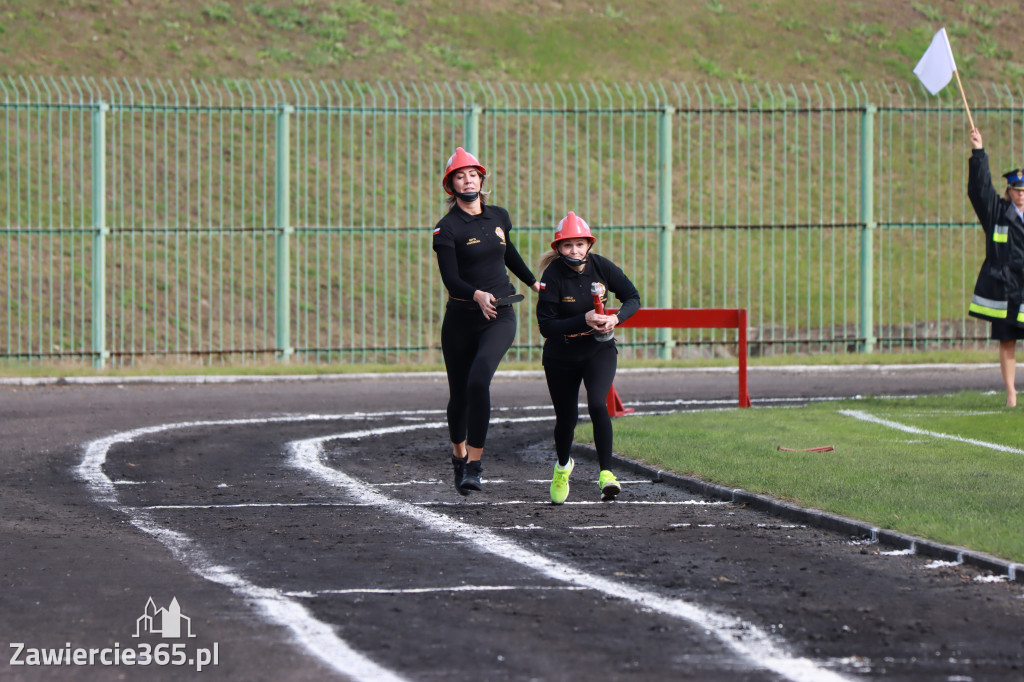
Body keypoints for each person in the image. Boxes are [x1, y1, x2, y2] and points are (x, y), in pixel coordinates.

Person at [432, 147, 541, 494]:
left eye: (473, 174)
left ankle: (475, 466)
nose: (468, 180)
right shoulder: (445, 228)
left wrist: (533, 282)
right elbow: (451, 279)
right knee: (459, 396)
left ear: (481, 180)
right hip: (462, 319)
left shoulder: (498, 216)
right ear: (451, 185)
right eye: (461, 176)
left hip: (499, 314)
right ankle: (459, 455)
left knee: (480, 381)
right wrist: (476, 294)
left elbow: (509, 253)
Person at [536, 211, 641, 504]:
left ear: (589, 245)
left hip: (599, 349)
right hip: (561, 354)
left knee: (597, 403)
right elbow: (546, 326)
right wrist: (584, 318)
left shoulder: (602, 267)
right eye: (568, 245)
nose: (575, 250)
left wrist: (616, 318)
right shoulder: (552, 276)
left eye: (580, 244)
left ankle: (606, 474)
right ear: (558, 248)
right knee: (566, 419)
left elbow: (633, 297)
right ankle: (562, 466)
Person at [967, 128, 1024, 407]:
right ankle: (1011, 394)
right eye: (1017, 190)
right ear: (1009, 191)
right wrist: (979, 152)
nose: (1021, 196)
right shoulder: (997, 211)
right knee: (1008, 340)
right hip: (1005, 289)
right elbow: (980, 189)